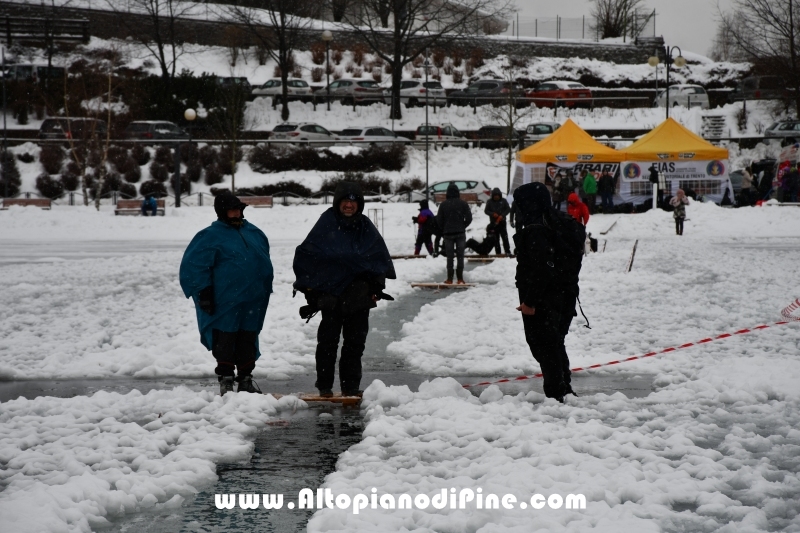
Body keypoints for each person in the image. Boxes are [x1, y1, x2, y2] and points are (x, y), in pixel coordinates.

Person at [293, 182, 396, 398]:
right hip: (331, 297)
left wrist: (377, 285)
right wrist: (311, 290)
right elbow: (307, 255)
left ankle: (350, 387)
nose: (349, 205)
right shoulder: (326, 224)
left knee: (354, 345)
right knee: (327, 344)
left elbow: (377, 257)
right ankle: (324, 387)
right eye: (345, 201)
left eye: (353, 201)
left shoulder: (365, 228)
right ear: (338, 203)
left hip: (358, 297)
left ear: (360, 204)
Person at [179, 192, 274, 395]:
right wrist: (203, 292)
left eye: (238, 209)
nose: (237, 213)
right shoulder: (209, 236)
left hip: (252, 300)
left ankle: (246, 379)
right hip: (225, 301)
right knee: (225, 339)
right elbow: (194, 265)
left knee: (247, 339)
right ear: (222, 212)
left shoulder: (254, 233)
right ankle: (226, 380)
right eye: (232, 209)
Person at [513, 182, 583, 403]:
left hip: (544, 298)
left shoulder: (536, 228)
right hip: (566, 294)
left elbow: (541, 268)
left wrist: (530, 301)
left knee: (544, 345)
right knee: (555, 342)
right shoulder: (561, 223)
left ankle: (556, 393)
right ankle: (564, 387)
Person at [436, 182, 473, 284]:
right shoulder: (463, 204)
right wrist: (462, 226)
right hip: (460, 233)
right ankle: (460, 278)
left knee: (450, 256)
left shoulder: (443, 205)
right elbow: (469, 218)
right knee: (460, 256)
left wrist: (445, 228)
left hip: (448, 234)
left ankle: (449, 278)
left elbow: (439, 220)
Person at [484, 187, 511, 255]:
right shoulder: (490, 202)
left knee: (505, 237)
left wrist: (502, 215)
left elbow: (508, 209)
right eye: (495, 195)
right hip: (494, 223)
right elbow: (486, 211)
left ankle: (507, 251)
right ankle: (498, 252)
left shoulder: (504, 201)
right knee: (496, 238)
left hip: (502, 222)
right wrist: (492, 214)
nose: (496, 197)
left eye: (497, 195)